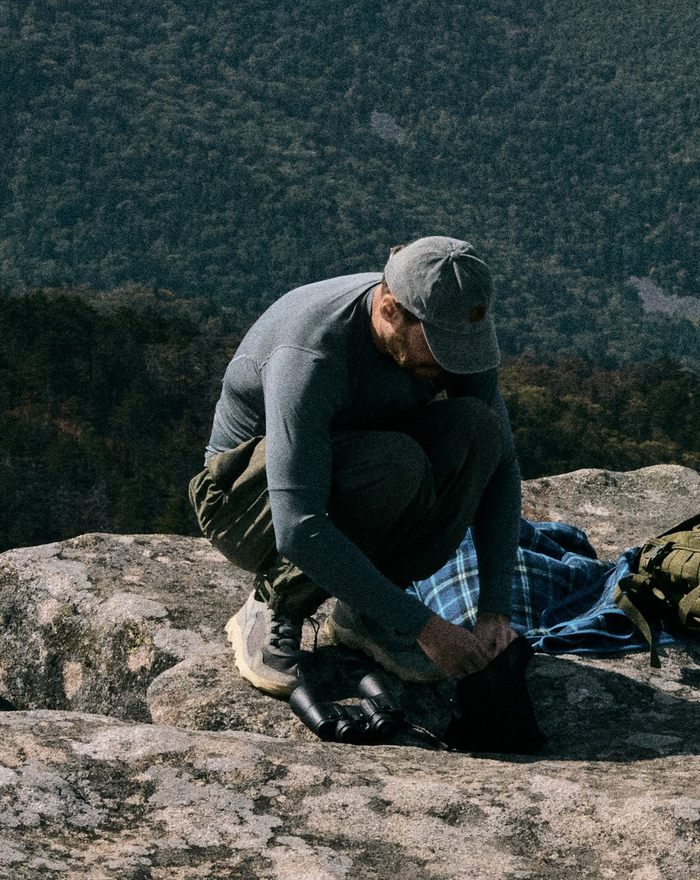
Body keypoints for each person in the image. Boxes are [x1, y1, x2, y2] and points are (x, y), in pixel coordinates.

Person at [189, 237, 523, 696]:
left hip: (362, 466)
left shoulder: (449, 331)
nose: (453, 362)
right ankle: (276, 601)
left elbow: (501, 467)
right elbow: (297, 527)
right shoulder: (310, 354)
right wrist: (424, 626)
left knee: (479, 431)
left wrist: (494, 609)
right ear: (390, 310)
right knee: (395, 463)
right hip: (247, 502)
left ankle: (366, 612)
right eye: (438, 346)